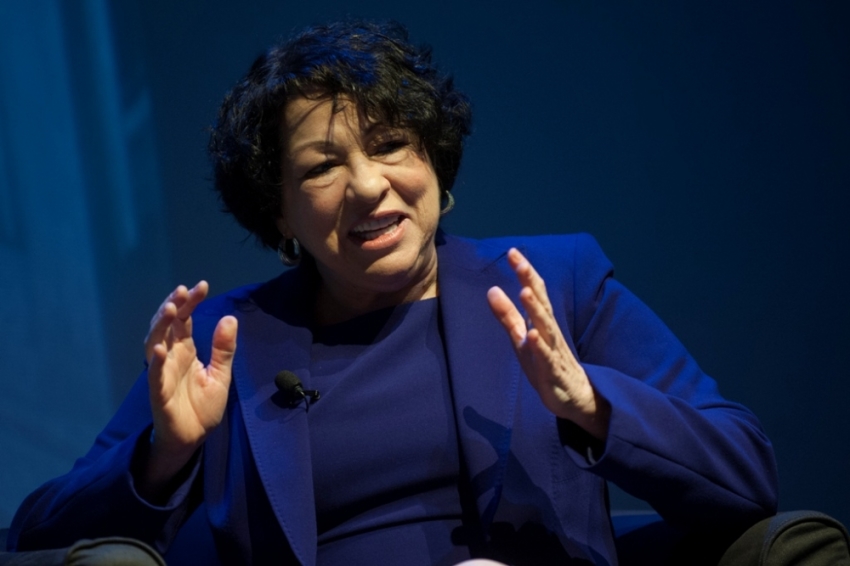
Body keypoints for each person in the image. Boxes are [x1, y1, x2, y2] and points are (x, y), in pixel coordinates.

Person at [7, 20, 778, 565]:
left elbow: (744, 471)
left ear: (436, 163)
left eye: (389, 146)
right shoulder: (223, 340)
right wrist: (165, 454)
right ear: (278, 212)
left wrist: (591, 405)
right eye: (320, 167)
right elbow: (36, 538)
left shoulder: (554, 284)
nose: (369, 187)